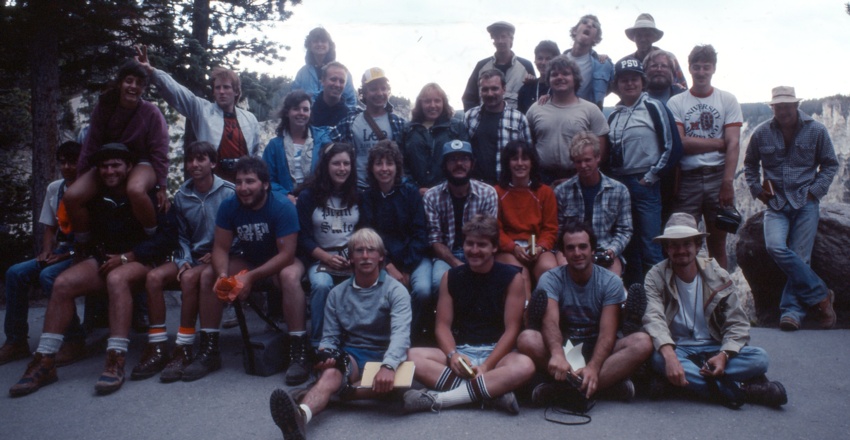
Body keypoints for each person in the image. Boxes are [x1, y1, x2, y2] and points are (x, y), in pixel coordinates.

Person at [9, 143, 172, 397]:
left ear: (129, 167)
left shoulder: (147, 193)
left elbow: (165, 239)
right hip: (105, 259)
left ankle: (115, 358)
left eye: (116, 165)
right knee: (63, 283)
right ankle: (44, 361)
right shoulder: (93, 198)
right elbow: (85, 236)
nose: (109, 171)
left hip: (140, 260)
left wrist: (128, 257)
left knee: (117, 279)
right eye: (104, 166)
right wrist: (87, 253)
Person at [269, 229, 411, 440]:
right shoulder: (336, 293)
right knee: (330, 374)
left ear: (381, 256)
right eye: (359, 250)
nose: (365, 256)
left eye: (371, 250)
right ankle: (300, 417)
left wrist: (389, 365)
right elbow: (330, 337)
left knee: (399, 385)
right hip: (353, 354)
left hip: (386, 353)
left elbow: (401, 334)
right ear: (350, 257)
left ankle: (326, 393)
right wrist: (326, 355)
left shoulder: (396, 290)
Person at [643, 213, 788, 407]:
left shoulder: (717, 274)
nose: (681, 250)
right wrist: (670, 356)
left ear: (697, 246)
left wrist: (724, 355)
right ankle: (743, 391)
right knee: (658, 359)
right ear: (666, 249)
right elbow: (654, 317)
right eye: (674, 245)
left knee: (760, 358)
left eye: (687, 244)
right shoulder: (655, 276)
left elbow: (737, 322)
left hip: (714, 347)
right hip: (679, 348)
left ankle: (680, 383)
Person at [404, 215, 534, 415]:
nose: (474, 250)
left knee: (525, 365)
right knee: (411, 356)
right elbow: (442, 326)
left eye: (481, 245)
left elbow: (512, 330)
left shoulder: (512, 277)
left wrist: (488, 365)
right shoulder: (451, 276)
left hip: (498, 355)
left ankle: (440, 399)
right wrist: (452, 355)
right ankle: (492, 392)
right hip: (463, 352)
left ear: (494, 248)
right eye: (469, 244)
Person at [188, 157, 301, 383]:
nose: (243, 188)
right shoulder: (230, 205)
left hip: (282, 261)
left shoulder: (281, 206)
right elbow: (220, 247)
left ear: (265, 184)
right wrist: (222, 274)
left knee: (290, 277)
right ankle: (209, 349)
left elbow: (286, 255)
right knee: (210, 274)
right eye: (239, 182)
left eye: (250, 181)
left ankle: (299, 351)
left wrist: (250, 278)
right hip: (250, 259)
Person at [130, 141, 236, 382]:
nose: (195, 165)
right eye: (191, 160)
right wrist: (184, 259)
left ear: (213, 163)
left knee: (188, 279)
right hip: (193, 256)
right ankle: (157, 346)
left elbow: (237, 230)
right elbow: (181, 236)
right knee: (154, 277)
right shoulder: (182, 196)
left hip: (219, 257)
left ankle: (184, 346)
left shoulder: (228, 192)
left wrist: (221, 252)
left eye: (201, 159)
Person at [517, 221, 653, 404]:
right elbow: (550, 323)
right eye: (570, 248)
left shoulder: (610, 281)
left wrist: (594, 367)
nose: (577, 253)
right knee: (527, 338)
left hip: (598, 347)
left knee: (642, 342)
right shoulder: (550, 278)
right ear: (562, 253)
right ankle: (605, 387)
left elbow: (607, 334)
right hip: (565, 345)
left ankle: (562, 391)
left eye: (583, 247)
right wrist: (557, 354)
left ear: (592, 250)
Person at [743, 86, 839, 331]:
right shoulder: (761, 132)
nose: (783, 110)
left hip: (806, 203)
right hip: (776, 204)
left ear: (796, 106)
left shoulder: (816, 130)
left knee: (800, 254)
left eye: (787, 105)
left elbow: (830, 164)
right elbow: (750, 165)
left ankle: (792, 312)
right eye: (778, 106)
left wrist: (813, 192)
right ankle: (821, 294)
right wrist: (757, 191)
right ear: (772, 107)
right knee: (775, 246)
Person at [64, 60, 169, 255]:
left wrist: (162, 185)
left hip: (141, 162)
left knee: (136, 190)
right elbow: (91, 144)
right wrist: (81, 176)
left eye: (139, 83)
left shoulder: (151, 112)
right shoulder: (105, 107)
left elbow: (160, 150)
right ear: (120, 83)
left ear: (143, 88)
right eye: (129, 81)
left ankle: (153, 239)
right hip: (108, 160)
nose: (133, 87)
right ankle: (83, 244)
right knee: (72, 197)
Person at [1, 141, 85, 366]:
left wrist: (67, 256)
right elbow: (50, 227)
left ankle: (73, 339)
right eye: (63, 162)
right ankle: (16, 340)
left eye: (72, 161)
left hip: (84, 252)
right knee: (15, 273)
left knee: (49, 276)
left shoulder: (90, 187)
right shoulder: (55, 188)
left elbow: (95, 237)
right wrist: (47, 251)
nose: (67, 167)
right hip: (62, 249)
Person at [135, 45, 262, 183]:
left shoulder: (250, 119)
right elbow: (178, 93)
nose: (221, 91)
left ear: (236, 91)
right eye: (217, 88)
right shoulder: (202, 110)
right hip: (212, 183)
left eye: (226, 87)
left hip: (241, 184)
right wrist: (153, 72)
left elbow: (256, 155)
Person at [279, 143, 362, 352]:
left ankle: (356, 342)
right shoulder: (309, 196)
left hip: (352, 256)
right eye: (336, 163)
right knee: (322, 284)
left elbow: (365, 230)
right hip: (319, 256)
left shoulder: (359, 194)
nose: (342, 168)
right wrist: (325, 257)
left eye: (346, 163)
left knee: (363, 283)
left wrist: (355, 257)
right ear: (326, 166)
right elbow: (304, 236)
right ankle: (319, 344)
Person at [607, 58, 682, 286]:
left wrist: (651, 176)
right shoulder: (613, 115)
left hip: (645, 183)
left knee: (651, 244)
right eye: (624, 80)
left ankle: (660, 302)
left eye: (634, 79)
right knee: (628, 246)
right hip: (621, 184)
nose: (629, 84)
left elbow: (673, 146)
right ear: (617, 85)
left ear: (642, 82)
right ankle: (635, 301)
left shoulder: (653, 107)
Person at [667, 44, 743, 269]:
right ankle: (686, 295)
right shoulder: (677, 102)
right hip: (688, 179)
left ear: (714, 69)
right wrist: (720, 143)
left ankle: (721, 298)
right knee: (682, 241)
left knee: (717, 243)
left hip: (718, 177)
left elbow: (735, 143)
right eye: (696, 67)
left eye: (706, 67)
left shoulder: (727, 100)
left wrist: (727, 183)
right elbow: (682, 143)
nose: (701, 72)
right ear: (689, 69)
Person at [361, 141, 431, 340]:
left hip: (414, 258)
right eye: (379, 164)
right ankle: (382, 337)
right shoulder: (368, 196)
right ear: (372, 168)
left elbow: (420, 233)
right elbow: (370, 236)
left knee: (423, 290)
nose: (384, 169)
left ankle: (412, 336)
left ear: (397, 166)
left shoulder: (410, 192)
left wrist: (407, 268)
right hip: (383, 260)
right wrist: (389, 266)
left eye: (389, 163)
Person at [423, 140, 498, 295]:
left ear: (472, 163)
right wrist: (456, 263)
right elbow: (435, 240)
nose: (459, 164)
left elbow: (489, 236)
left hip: (480, 251)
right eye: (452, 159)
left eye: (464, 159)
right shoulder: (432, 196)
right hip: (446, 256)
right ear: (444, 165)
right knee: (439, 283)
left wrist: (472, 264)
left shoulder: (488, 193)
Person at [554, 132, 632, 276]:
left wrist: (612, 250)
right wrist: (565, 250)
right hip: (572, 250)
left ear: (598, 158)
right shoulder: (561, 192)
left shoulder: (619, 190)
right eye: (578, 161)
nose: (583, 165)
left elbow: (625, 230)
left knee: (613, 284)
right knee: (565, 275)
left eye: (587, 160)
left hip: (605, 248)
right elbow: (557, 230)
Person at [527, 55, 609, 185]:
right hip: (542, 178)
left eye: (566, 73)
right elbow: (528, 143)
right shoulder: (536, 109)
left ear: (575, 79)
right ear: (549, 80)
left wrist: (582, 175)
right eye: (554, 74)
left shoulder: (591, 109)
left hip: (580, 176)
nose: (560, 77)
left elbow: (600, 148)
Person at [494, 140, 558, 296]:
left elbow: (550, 228)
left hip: (537, 247)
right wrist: (513, 248)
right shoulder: (497, 192)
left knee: (549, 270)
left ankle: (547, 315)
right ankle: (526, 317)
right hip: (509, 249)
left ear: (532, 163)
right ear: (507, 163)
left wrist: (540, 247)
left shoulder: (545, 192)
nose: (520, 163)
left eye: (525, 159)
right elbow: (495, 228)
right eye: (515, 158)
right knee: (520, 275)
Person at [330, 67, 406, 189]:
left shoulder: (399, 123)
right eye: (373, 89)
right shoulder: (349, 122)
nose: (379, 93)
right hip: (358, 189)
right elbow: (330, 152)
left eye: (383, 88)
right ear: (364, 93)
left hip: (390, 189)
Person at [464, 69, 532, 185]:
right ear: (480, 91)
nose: (490, 94)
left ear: (504, 89)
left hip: (508, 185)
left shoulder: (519, 119)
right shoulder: (470, 116)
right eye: (485, 89)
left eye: (494, 88)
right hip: (476, 186)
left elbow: (529, 155)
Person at [263, 90, 331, 202]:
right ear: (287, 112)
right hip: (285, 203)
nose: (301, 113)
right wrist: (286, 195)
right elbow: (267, 178)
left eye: (305, 109)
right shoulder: (274, 146)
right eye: (296, 108)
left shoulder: (322, 140)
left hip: (316, 200)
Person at [401, 82, 468, 194]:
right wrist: (415, 187)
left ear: (444, 103)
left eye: (437, 101)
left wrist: (442, 187)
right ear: (420, 104)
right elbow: (401, 164)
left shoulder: (457, 128)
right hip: (414, 195)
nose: (432, 105)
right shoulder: (407, 130)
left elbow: (464, 161)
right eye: (427, 101)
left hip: (448, 193)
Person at [461, 21, 535, 111]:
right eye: (496, 37)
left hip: (515, 122)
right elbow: (469, 97)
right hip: (485, 121)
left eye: (503, 36)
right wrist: (475, 118)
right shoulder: (481, 66)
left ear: (511, 39)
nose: (500, 41)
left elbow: (534, 97)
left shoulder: (525, 66)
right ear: (493, 41)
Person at [291, 27, 357, 113]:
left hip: (336, 123)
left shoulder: (342, 72)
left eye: (323, 41)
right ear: (309, 46)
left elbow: (351, 101)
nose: (319, 44)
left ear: (329, 45)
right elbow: (293, 99)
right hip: (309, 122)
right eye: (315, 41)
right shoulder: (302, 73)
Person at [623, 13, 688, 90]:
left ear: (654, 37)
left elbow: (683, 86)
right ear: (634, 38)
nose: (643, 39)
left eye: (647, 35)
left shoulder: (669, 58)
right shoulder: (626, 62)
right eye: (639, 35)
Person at [562, 14, 614, 109]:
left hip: (587, 119)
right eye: (585, 22)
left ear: (596, 38)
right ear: (574, 31)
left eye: (594, 26)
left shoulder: (603, 64)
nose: (589, 25)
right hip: (559, 114)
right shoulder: (558, 62)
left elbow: (619, 85)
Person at [517, 40, 560, 114]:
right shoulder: (526, 89)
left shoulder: (562, 88)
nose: (543, 62)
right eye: (540, 58)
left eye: (548, 59)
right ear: (535, 61)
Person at [310, 61, 354, 128]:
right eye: (333, 79)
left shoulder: (350, 117)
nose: (337, 84)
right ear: (322, 81)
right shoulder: (309, 111)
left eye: (342, 81)